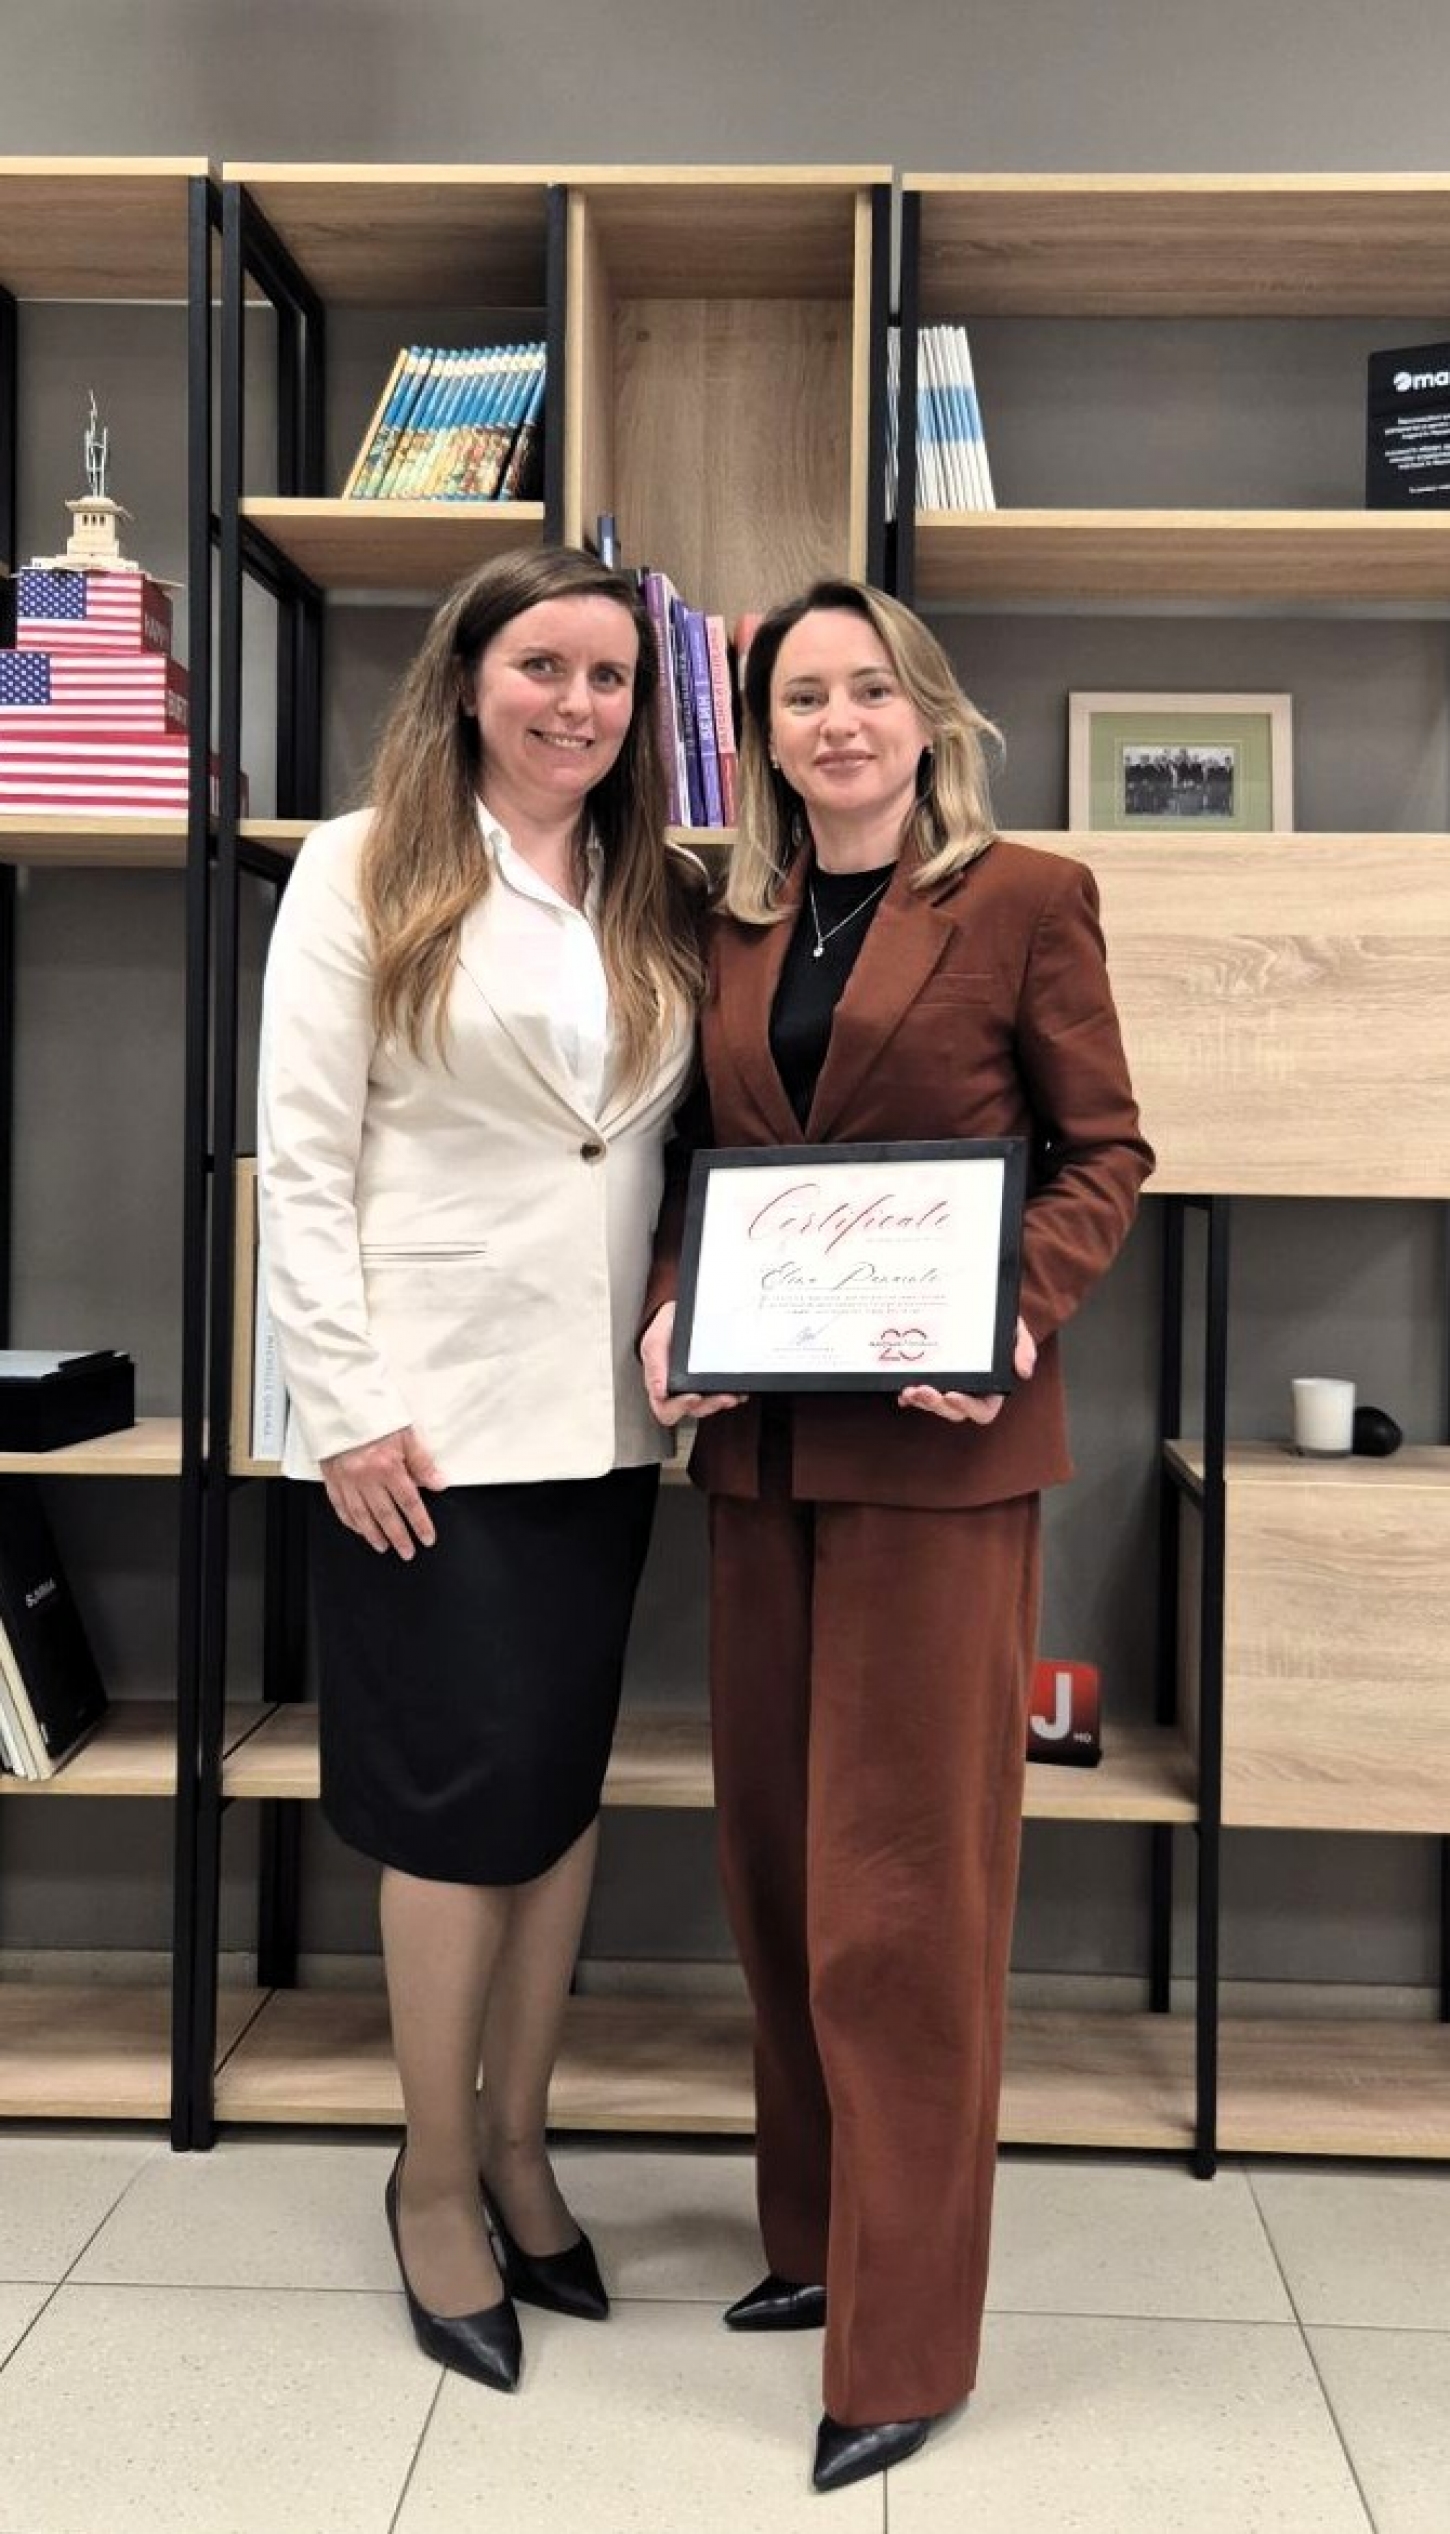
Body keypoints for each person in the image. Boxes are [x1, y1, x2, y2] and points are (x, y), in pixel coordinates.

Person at [639, 579, 1153, 2495]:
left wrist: (1011, 1312)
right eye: (800, 696)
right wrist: (674, 1308)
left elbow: (1103, 1152)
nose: (835, 720)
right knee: (779, 1871)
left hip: (943, 1461)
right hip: (761, 1458)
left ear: (922, 713)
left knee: (905, 1900)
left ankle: (905, 2336)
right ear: (762, 734)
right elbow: (704, 1165)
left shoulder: (1024, 899)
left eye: (867, 688)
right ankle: (812, 2238)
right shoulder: (730, 920)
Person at [258, 546, 703, 2394]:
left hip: (602, 1419)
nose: (576, 704)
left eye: (610, 677)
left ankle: (522, 2137)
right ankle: (433, 2173)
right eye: (543, 666)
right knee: (452, 1810)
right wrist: (345, 1404)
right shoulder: (362, 862)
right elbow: (300, 1157)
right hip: (422, 1426)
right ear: (468, 677)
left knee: (554, 1790)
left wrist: (686, 1314)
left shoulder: (655, 886)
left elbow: (663, 1158)